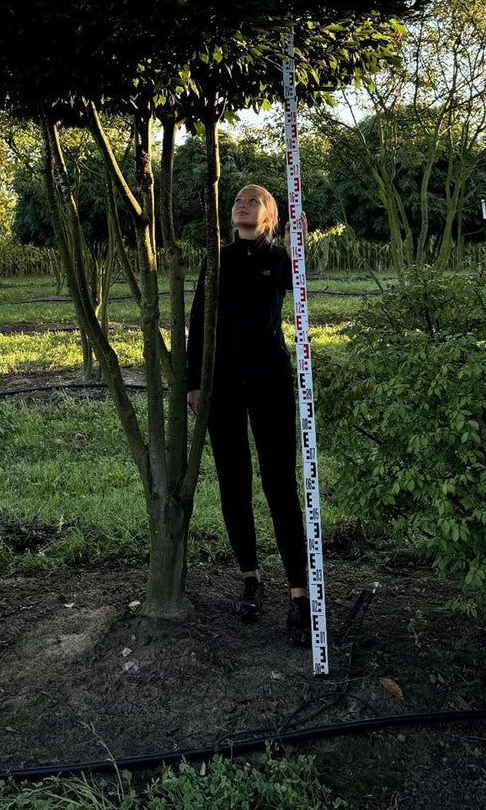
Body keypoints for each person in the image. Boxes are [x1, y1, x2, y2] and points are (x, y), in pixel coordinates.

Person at [186, 183, 311, 646]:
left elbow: (301, 292)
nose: (242, 202)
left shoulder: (279, 259)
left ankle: (300, 595)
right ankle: (250, 578)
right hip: (222, 386)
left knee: (280, 483)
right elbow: (198, 321)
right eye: (238, 198)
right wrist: (194, 381)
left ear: (270, 216)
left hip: (270, 382)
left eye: (254, 199)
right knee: (233, 481)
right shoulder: (214, 260)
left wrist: (299, 243)